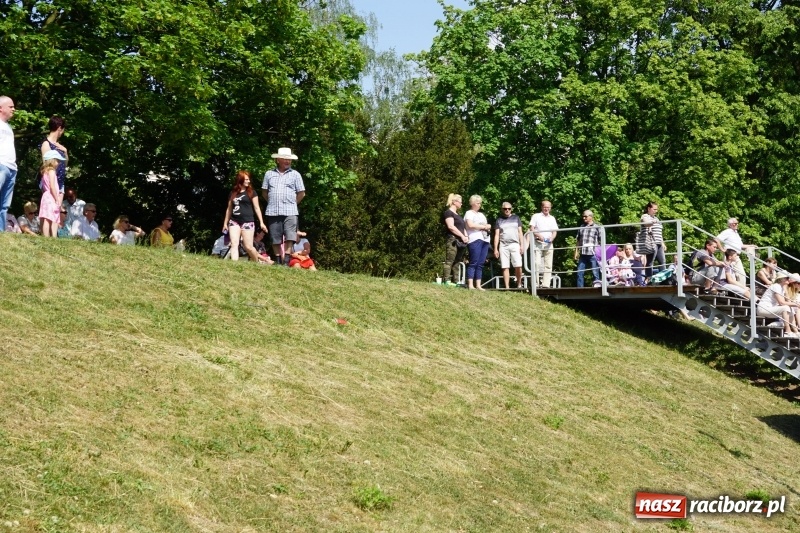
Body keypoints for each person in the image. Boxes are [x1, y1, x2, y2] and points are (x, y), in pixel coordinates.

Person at [261, 147, 305, 265]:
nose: (287, 161)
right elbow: (264, 192)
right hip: (273, 210)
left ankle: (286, 260)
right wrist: (272, 201)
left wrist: (293, 203)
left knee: (290, 236)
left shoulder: (295, 174)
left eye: (289, 159)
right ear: (278, 160)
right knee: (275, 236)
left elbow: (301, 193)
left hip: (290, 211)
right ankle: (278, 260)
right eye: (285, 159)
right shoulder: (269, 174)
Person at [224, 170, 269, 262]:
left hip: (248, 221)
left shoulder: (252, 192)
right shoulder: (233, 193)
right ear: (240, 180)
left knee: (248, 246)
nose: (249, 181)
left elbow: (257, 208)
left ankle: (256, 262)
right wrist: (225, 223)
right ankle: (234, 265)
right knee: (234, 244)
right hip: (234, 221)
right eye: (246, 179)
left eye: (248, 179)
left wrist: (261, 222)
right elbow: (229, 209)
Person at [757, 272, 800, 338]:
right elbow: (781, 303)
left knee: (790, 309)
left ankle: (796, 331)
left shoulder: (781, 288)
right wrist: (796, 304)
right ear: (782, 279)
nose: (789, 279)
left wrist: (795, 304)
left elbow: (785, 302)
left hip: (770, 309)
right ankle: (788, 331)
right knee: (785, 308)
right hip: (763, 309)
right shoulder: (776, 286)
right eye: (787, 278)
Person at [493, 202, 524, 289]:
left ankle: (519, 284)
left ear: (511, 209)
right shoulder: (499, 220)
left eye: (509, 208)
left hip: (515, 244)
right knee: (505, 266)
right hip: (503, 245)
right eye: (505, 209)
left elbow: (520, 232)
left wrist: (522, 245)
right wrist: (495, 249)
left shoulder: (516, 218)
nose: (507, 210)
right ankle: (507, 287)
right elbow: (497, 235)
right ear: (502, 209)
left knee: (518, 265)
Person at [463, 194, 491, 290]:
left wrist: (487, 226)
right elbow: (470, 225)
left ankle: (478, 285)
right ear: (473, 203)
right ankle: (470, 284)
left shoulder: (481, 215)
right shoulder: (469, 213)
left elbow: (486, 225)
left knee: (481, 263)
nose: (480, 205)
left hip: (485, 239)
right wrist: (483, 227)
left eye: (480, 203)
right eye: (478, 203)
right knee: (473, 262)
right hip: (474, 239)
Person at [529, 200, 558, 288]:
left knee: (548, 265)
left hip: (549, 244)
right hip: (538, 242)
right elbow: (531, 228)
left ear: (550, 208)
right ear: (541, 207)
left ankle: (546, 284)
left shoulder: (552, 218)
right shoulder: (536, 216)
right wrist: (539, 235)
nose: (546, 209)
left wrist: (552, 238)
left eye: (548, 207)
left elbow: (555, 231)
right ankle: (535, 284)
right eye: (545, 207)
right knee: (536, 263)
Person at [40, 116, 68, 206]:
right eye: (63, 130)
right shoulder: (46, 144)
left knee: (57, 211)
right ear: (59, 128)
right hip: (51, 184)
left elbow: (65, 164)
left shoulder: (59, 145)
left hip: (60, 183)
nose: (62, 133)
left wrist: (65, 151)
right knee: (50, 210)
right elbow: (47, 167)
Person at [442, 193, 469, 285]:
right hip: (452, 240)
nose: (461, 204)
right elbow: (451, 226)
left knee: (457, 261)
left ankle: (456, 281)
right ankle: (446, 280)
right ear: (454, 202)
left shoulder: (458, 215)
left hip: (461, 242)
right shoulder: (448, 213)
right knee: (450, 260)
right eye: (460, 202)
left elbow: (463, 228)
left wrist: (466, 237)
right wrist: (462, 236)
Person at [715, 218, 752, 283]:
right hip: (730, 256)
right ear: (730, 224)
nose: (737, 224)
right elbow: (716, 239)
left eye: (737, 223)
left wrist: (751, 246)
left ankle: (741, 288)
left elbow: (741, 245)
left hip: (736, 256)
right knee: (732, 276)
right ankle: (739, 289)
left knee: (741, 275)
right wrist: (722, 249)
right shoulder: (727, 232)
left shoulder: (736, 233)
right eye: (735, 223)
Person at [0, 96, 16, 232]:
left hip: (11, 168)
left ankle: (1, 231)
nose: (14, 109)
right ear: (1, 108)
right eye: (11, 107)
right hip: (1, 165)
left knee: (5, 204)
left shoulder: (8, 127)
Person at [574, 210, 601, 287]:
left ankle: (597, 287)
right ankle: (580, 289)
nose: (584, 218)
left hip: (593, 254)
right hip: (583, 253)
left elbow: (601, 241)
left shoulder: (597, 227)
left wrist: (600, 253)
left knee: (595, 272)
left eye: (585, 216)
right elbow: (578, 240)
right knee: (579, 272)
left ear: (591, 217)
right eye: (583, 216)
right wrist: (576, 252)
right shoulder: (581, 227)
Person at [640, 202, 666, 278]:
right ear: (649, 209)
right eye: (654, 209)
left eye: (657, 209)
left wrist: (662, 243)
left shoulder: (656, 218)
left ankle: (663, 278)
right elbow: (646, 223)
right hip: (650, 243)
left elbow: (659, 232)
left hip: (659, 243)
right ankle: (649, 278)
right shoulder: (645, 216)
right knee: (650, 262)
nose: (656, 211)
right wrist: (652, 222)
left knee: (662, 261)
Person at [38, 157, 62, 237]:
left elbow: (43, 187)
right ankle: (52, 236)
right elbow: (52, 186)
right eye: (57, 161)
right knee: (51, 217)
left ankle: (46, 236)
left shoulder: (45, 172)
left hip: (46, 196)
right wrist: (56, 198)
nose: (58, 163)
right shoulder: (51, 171)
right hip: (51, 196)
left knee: (46, 217)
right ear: (52, 161)